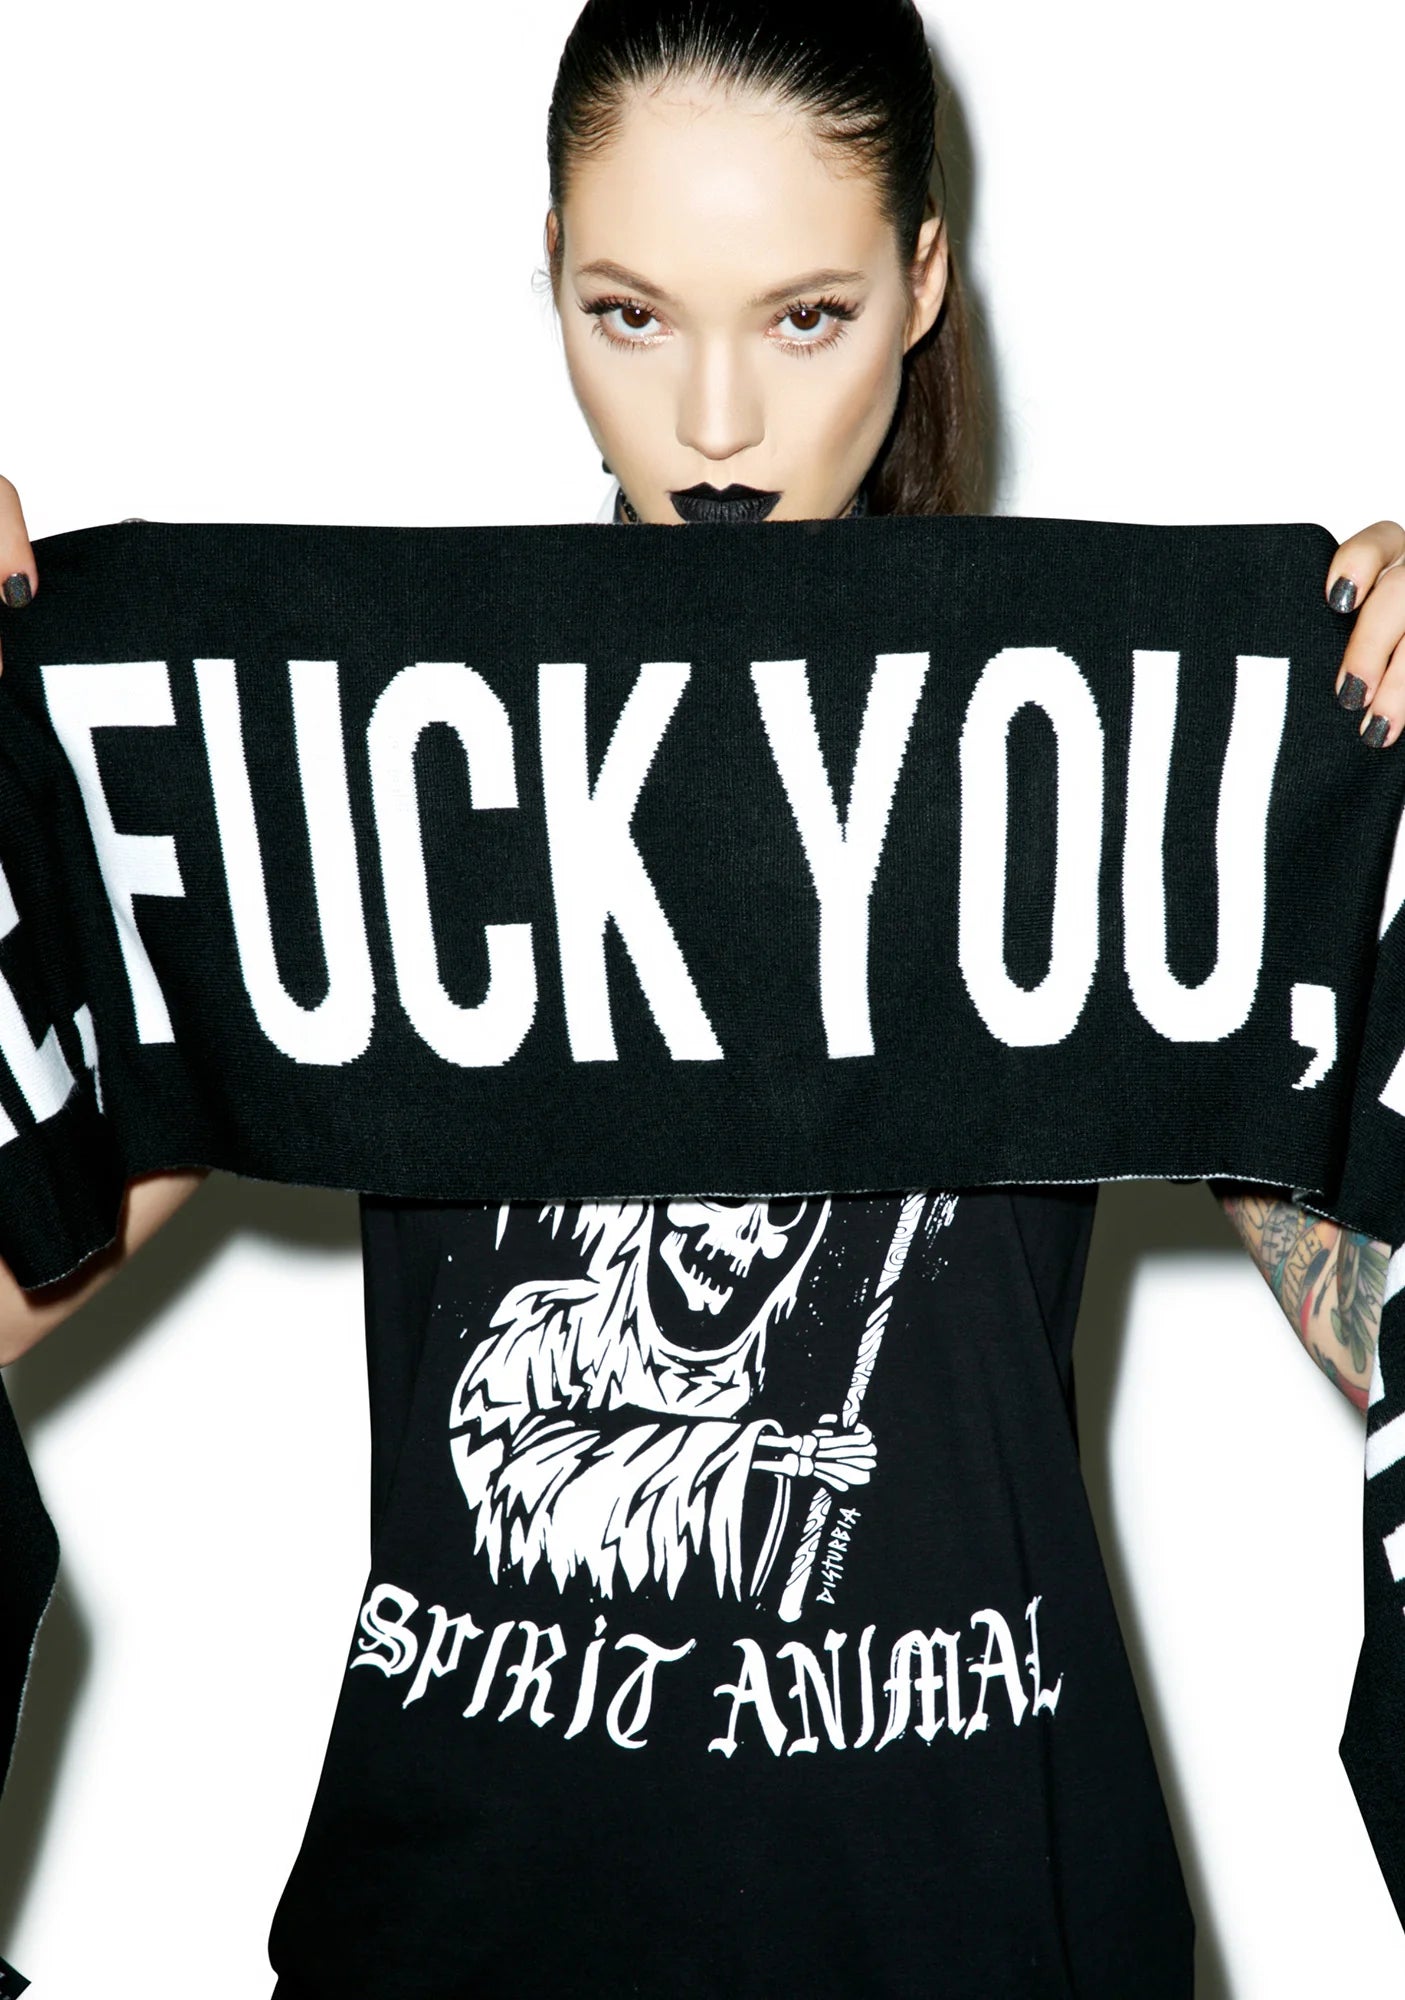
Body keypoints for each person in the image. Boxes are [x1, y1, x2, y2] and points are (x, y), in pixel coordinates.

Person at [0, 2, 1401, 1993]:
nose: (717, 425)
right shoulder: (399, 758)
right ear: (549, 274)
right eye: (631, 315)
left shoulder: (1085, 757)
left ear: (922, 280)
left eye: (805, 317)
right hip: (460, 1938)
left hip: (991, 1931)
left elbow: (1374, 1298)